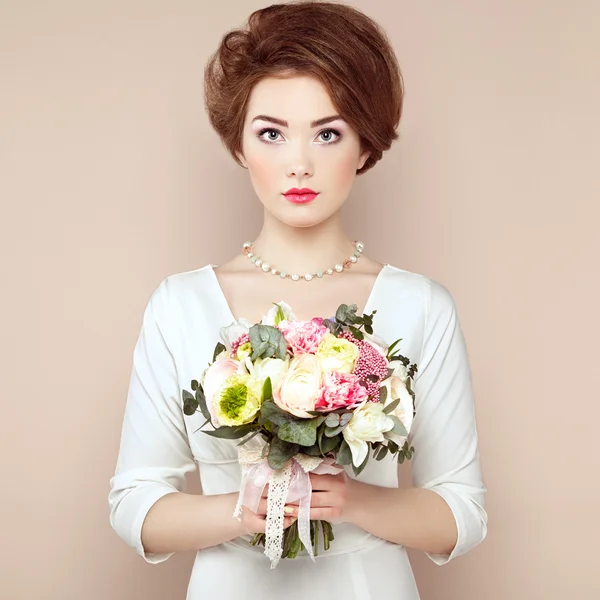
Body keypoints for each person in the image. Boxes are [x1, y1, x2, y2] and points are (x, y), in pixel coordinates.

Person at [108, 2, 487, 598]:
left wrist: (352, 499)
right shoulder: (179, 305)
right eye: (271, 134)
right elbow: (135, 505)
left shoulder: (420, 306)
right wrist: (241, 510)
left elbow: (461, 515)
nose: (299, 163)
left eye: (328, 133)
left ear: (365, 147)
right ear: (239, 147)